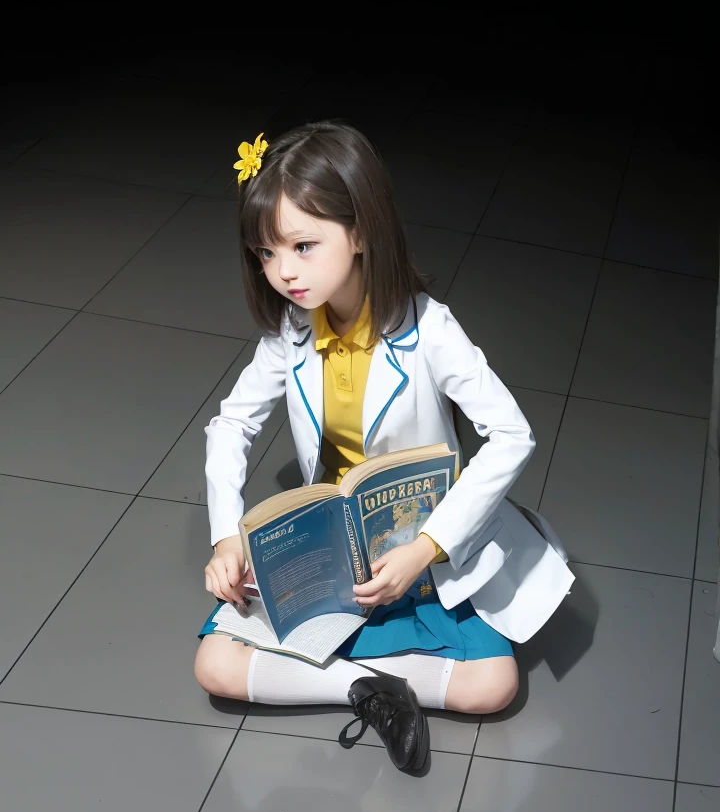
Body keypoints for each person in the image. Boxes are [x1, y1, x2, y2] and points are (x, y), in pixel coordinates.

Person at [194, 121, 574, 774]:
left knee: (495, 685)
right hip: (329, 545)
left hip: (421, 546)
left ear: (362, 232)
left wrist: (428, 547)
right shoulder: (291, 331)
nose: (283, 272)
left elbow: (513, 435)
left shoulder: (431, 329)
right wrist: (227, 536)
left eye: (303, 246)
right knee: (214, 665)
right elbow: (230, 426)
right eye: (266, 253)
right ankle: (368, 690)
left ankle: (352, 669)